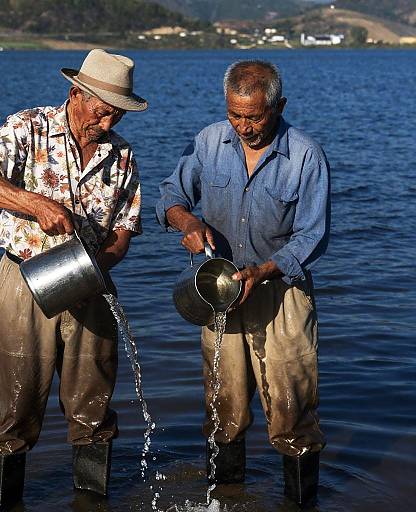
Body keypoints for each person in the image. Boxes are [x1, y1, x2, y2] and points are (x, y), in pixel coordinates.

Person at [0, 48, 147, 509]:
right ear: (75, 94)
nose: (107, 126)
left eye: (117, 117)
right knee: (16, 403)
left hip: (91, 282)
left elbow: (124, 232)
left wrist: (98, 264)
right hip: (25, 276)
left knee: (94, 404)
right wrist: (38, 205)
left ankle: (91, 501)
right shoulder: (28, 127)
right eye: (102, 113)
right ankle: (4, 503)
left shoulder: (121, 156)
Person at [156, 60, 330, 507]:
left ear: (279, 106)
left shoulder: (305, 155)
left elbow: (314, 234)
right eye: (236, 115)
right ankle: (224, 499)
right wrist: (187, 221)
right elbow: (170, 197)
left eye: (255, 117)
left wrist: (265, 270)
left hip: (282, 294)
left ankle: (299, 503)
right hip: (221, 293)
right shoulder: (210, 141)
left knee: (292, 414)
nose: (244, 127)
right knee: (223, 411)